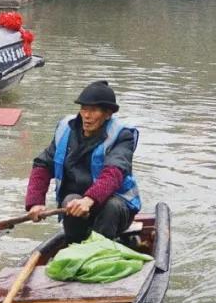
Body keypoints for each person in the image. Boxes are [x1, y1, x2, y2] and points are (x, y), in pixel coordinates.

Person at [25, 80, 140, 243]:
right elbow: (42, 165)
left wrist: (88, 200)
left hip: (114, 207)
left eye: (93, 111)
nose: (86, 116)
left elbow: (114, 172)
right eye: (83, 109)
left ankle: (102, 249)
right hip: (76, 205)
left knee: (111, 207)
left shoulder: (122, 135)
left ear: (108, 114)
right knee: (70, 201)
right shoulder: (66, 129)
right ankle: (74, 243)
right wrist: (35, 203)